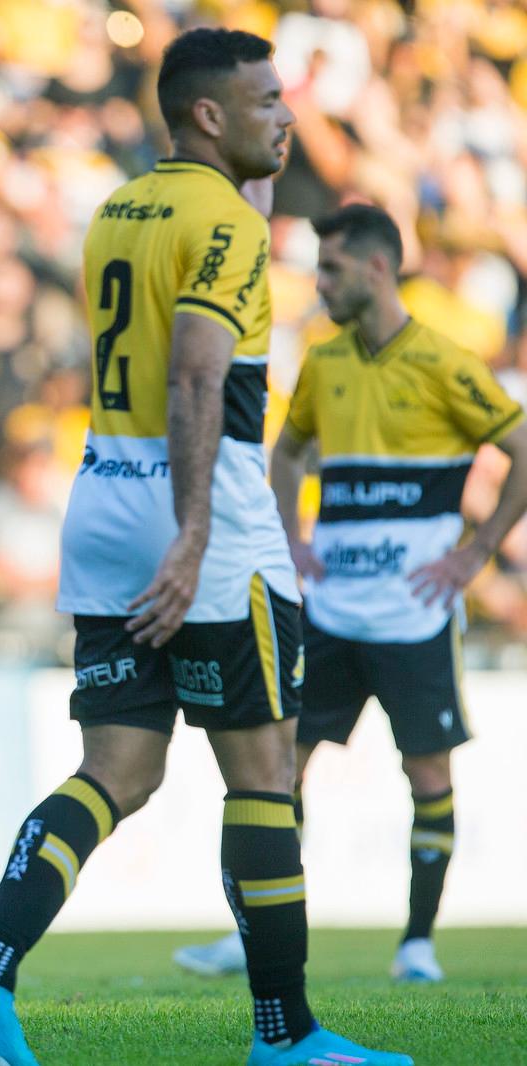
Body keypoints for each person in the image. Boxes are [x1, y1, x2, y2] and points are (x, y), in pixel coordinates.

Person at [0, 29, 410, 1066]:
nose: (286, 115)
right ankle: (284, 1036)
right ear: (209, 114)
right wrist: (196, 535)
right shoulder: (228, 234)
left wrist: (264, 174)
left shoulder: (127, 206)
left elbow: (219, 247)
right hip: (205, 510)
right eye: (268, 100)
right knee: (264, 774)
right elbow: (198, 376)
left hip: (101, 494)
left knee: (114, 766)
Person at [175, 203, 527, 986]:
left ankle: (418, 945)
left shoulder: (442, 360)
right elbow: (290, 451)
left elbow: (521, 447)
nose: (320, 281)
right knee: (278, 766)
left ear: (376, 267)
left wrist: (475, 553)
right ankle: (251, 936)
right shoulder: (327, 362)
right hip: (331, 611)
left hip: (414, 612)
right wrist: (295, 538)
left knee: (427, 773)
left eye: (331, 267)